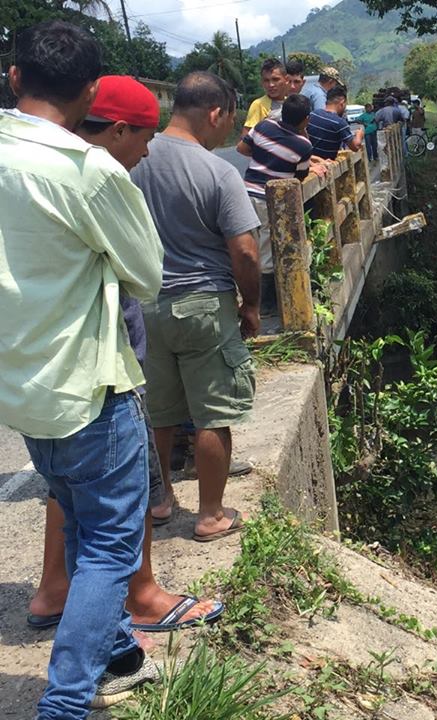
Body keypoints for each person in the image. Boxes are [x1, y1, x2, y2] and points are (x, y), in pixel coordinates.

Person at [0, 21, 165, 716]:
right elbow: (148, 276)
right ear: (92, 91)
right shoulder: (88, 171)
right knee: (109, 549)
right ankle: (65, 702)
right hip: (89, 388)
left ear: (14, 77)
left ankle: (120, 654)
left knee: (77, 516)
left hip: (22, 385)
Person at [27, 74, 225, 642]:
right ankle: (141, 597)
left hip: (47, 361)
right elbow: (145, 275)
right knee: (124, 486)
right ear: (115, 130)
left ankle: (53, 589)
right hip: (101, 361)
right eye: (141, 139)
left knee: (65, 484)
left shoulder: (31, 169)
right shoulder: (98, 178)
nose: (146, 151)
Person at [131, 71, 260, 543]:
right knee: (212, 413)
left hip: (146, 306)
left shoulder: (132, 158)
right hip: (203, 304)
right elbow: (244, 251)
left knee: (159, 413)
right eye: (229, 119)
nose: (227, 131)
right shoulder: (218, 170)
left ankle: (160, 499)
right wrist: (250, 306)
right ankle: (210, 514)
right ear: (215, 113)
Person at [236, 93, 326, 315]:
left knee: (249, 244)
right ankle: (266, 305)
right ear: (306, 120)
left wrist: (264, 155)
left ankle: (246, 298)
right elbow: (299, 176)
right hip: (269, 200)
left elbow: (243, 148)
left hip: (246, 193)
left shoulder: (263, 126)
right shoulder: (303, 145)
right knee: (267, 248)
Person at [306, 85, 363, 160]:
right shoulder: (340, 123)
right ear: (342, 103)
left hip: (310, 161)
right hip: (325, 165)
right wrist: (359, 135)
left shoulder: (313, 114)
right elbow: (355, 147)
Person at [241, 57, 286, 137]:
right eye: (266, 80)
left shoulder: (290, 103)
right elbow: (245, 140)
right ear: (262, 82)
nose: (271, 85)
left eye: (275, 79)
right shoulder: (259, 105)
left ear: (285, 79)